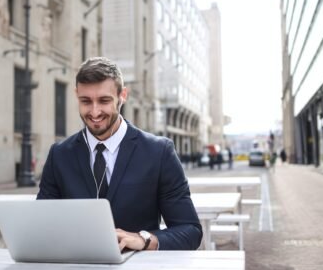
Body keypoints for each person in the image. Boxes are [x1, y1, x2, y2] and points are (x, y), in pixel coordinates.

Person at [37, 57, 202, 251]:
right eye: (86, 101)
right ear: (76, 95)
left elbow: (190, 230)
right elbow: (42, 224)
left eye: (104, 101)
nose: (95, 111)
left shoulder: (159, 152)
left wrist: (144, 240)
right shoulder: (60, 154)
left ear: (122, 96)